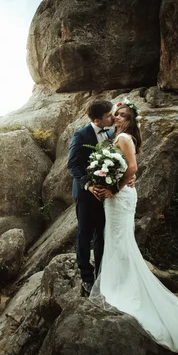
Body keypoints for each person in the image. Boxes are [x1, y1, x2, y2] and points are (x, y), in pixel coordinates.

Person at [90, 101, 178, 355]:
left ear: (129, 120)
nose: (117, 117)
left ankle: (122, 286)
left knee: (121, 241)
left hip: (120, 197)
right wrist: (101, 182)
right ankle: (118, 282)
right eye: (116, 114)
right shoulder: (117, 137)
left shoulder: (125, 137)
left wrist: (113, 189)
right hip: (117, 197)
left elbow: (132, 169)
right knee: (118, 240)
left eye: (122, 115)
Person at [67, 99, 115, 296]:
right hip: (86, 194)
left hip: (107, 195)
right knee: (85, 235)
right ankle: (87, 277)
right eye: (109, 116)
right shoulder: (80, 135)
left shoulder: (111, 133)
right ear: (97, 120)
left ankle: (101, 275)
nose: (113, 117)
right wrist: (89, 185)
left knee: (103, 234)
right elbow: (72, 165)